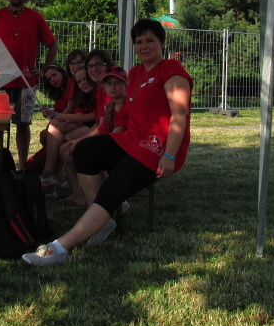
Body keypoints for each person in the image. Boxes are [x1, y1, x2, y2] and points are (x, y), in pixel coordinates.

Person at [22, 19, 193, 266]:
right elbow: (125, 113)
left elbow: (179, 114)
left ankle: (60, 248)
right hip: (130, 140)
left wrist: (169, 155)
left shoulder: (170, 69)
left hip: (155, 149)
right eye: (139, 42)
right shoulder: (136, 73)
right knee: (83, 150)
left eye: (150, 41)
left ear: (162, 43)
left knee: (111, 191)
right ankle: (102, 221)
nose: (144, 46)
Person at [0, 0, 58, 167]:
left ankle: (22, 167)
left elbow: (52, 45)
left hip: (25, 81)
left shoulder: (36, 17)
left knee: (23, 124)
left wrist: (44, 70)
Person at [38, 50, 114, 190]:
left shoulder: (102, 88)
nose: (74, 66)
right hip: (92, 127)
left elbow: (96, 119)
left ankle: (49, 175)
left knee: (57, 132)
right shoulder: (80, 90)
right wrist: (55, 115)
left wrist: (61, 118)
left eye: (78, 63)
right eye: (71, 63)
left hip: (100, 131)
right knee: (59, 138)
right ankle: (62, 183)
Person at [59, 66, 129, 206]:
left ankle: (106, 199)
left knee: (86, 154)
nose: (113, 87)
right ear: (104, 86)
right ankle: (101, 197)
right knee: (74, 149)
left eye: (117, 83)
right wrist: (79, 140)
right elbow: (103, 128)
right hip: (113, 145)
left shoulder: (125, 106)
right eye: (109, 84)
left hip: (124, 149)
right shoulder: (111, 106)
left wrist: (81, 143)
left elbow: (115, 135)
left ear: (126, 85)